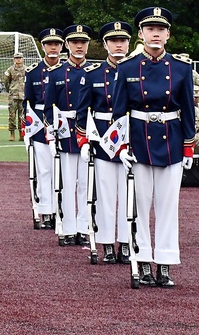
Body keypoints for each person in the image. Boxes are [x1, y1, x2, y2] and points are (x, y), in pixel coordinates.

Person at [112, 6, 194, 287]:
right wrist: (120, 146)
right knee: (140, 205)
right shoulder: (127, 68)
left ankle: (166, 263)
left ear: (168, 34)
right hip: (138, 141)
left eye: (161, 29)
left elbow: (188, 112)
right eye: (150, 29)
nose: (155, 34)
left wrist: (188, 147)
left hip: (170, 140)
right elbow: (118, 112)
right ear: (141, 34)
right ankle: (143, 262)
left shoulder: (182, 69)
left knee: (169, 206)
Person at [75, 21, 132, 263]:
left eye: (123, 40)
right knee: (106, 195)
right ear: (105, 44)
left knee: (130, 195)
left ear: (130, 43)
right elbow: (81, 111)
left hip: (132, 140)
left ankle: (127, 243)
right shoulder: (93, 74)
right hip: (103, 142)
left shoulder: (136, 69)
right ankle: (107, 242)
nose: (118, 45)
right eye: (113, 41)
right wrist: (83, 140)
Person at [44, 24, 92, 247]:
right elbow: (48, 107)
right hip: (65, 133)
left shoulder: (94, 72)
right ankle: (68, 227)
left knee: (86, 184)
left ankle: (83, 227)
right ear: (67, 45)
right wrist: (52, 131)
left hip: (88, 135)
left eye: (83, 42)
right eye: (74, 42)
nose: (79, 46)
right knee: (66, 184)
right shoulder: (56, 73)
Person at [24, 28, 64, 230]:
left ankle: (61, 210)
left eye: (57, 44)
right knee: (44, 170)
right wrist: (28, 127)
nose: (53, 47)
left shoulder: (67, 71)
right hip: (39, 126)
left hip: (63, 125)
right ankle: (46, 211)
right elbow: (27, 102)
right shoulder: (32, 72)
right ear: (43, 46)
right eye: (49, 44)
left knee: (63, 171)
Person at [3, 52, 26, 141]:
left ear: (22, 59)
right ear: (14, 59)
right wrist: (10, 90)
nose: (18, 59)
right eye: (16, 58)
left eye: (20, 58)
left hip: (23, 95)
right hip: (13, 95)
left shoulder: (27, 69)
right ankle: (12, 133)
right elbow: (6, 82)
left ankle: (21, 134)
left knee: (22, 116)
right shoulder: (10, 70)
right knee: (12, 115)